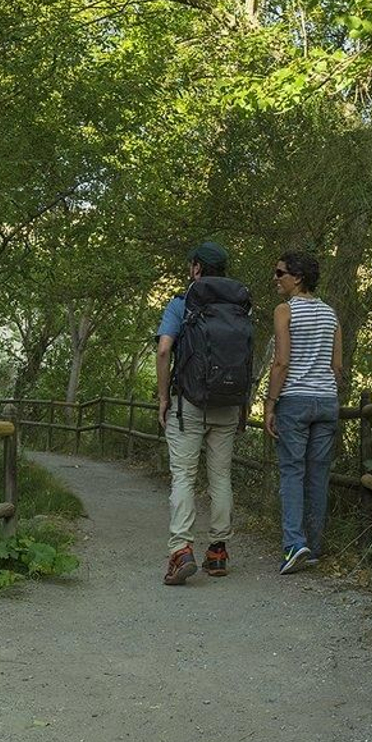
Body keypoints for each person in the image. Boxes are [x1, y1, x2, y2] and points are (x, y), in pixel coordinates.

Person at [155, 240, 253, 586]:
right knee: (220, 477)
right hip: (228, 404)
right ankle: (218, 551)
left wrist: (163, 398)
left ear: (197, 268)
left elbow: (164, 350)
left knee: (184, 476)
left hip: (189, 404)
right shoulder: (240, 308)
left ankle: (181, 550)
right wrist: (243, 404)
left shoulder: (183, 303)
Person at [263, 250, 343, 574]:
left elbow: (281, 361)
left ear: (297, 278)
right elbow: (337, 366)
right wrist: (326, 391)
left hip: (295, 401)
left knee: (292, 471)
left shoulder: (285, 310)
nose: (275, 278)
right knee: (318, 474)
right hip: (326, 401)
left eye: (280, 273)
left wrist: (270, 403)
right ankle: (313, 546)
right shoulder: (330, 314)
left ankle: (294, 545)